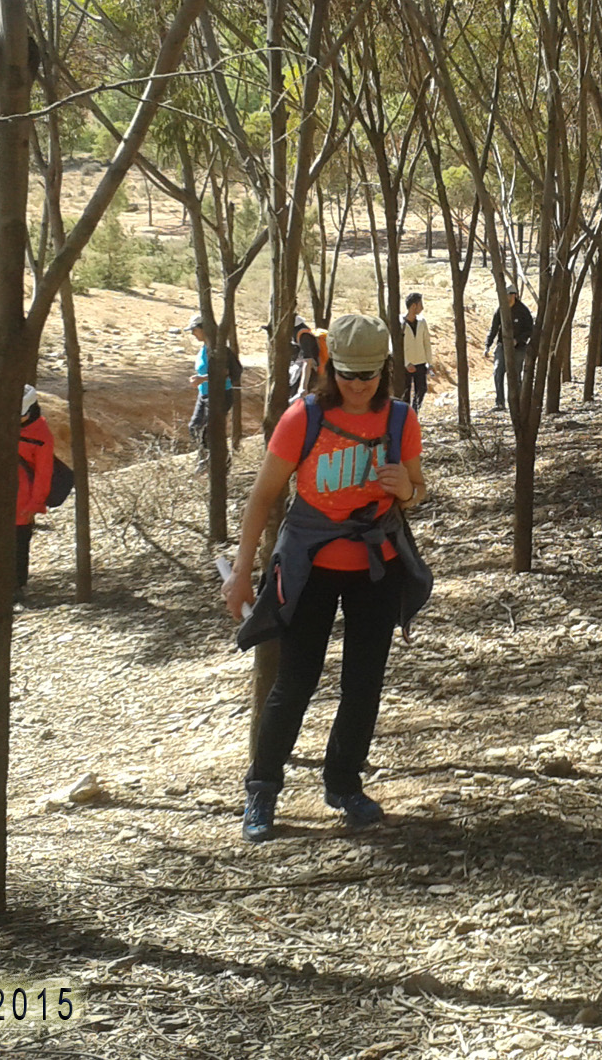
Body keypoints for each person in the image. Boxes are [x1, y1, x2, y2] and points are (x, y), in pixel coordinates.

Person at [223, 315, 432, 843]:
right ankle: (262, 789)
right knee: (294, 683)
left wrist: (405, 488)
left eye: (368, 376)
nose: (358, 386)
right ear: (327, 367)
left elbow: (420, 489)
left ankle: (343, 783)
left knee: (363, 683)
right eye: (347, 375)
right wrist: (241, 573)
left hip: (374, 568)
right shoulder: (303, 418)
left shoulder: (401, 419)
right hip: (309, 567)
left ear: (384, 370)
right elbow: (263, 496)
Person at [15, 385, 55, 606]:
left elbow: (43, 473)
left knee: (19, 545)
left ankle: (16, 587)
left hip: (22, 502)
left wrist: (35, 504)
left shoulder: (41, 434)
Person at [188, 316, 236, 471]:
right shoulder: (203, 348)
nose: (193, 334)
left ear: (204, 330)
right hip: (204, 395)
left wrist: (202, 378)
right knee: (195, 427)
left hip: (220, 395)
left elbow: (227, 372)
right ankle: (205, 459)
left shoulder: (220, 350)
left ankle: (221, 463)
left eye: (195, 330)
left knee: (211, 431)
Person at [484, 288, 534, 411]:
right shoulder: (501, 309)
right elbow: (494, 328)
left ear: (514, 295)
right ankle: (499, 402)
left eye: (509, 295)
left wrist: (518, 340)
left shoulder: (523, 311)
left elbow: (530, 330)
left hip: (519, 347)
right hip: (502, 345)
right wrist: (488, 345)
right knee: (498, 371)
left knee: (515, 375)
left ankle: (517, 402)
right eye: (505, 295)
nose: (507, 297)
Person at [400, 292, 433, 411]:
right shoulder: (400, 323)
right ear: (414, 306)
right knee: (405, 393)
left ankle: (414, 413)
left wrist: (430, 363)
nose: (422, 307)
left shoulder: (422, 322)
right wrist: (406, 363)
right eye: (420, 304)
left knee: (422, 389)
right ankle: (404, 417)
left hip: (420, 362)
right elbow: (394, 346)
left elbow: (426, 343)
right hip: (406, 365)